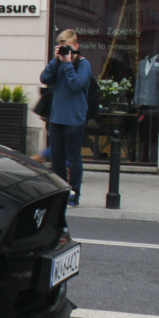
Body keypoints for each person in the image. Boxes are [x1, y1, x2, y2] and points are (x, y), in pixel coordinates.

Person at [41, 29, 94, 206]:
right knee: (56, 158)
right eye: (63, 48)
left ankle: (74, 193)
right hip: (57, 117)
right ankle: (60, 192)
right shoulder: (59, 63)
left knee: (73, 158)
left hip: (74, 117)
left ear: (77, 47)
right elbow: (45, 78)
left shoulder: (83, 64)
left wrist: (68, 64)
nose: (66, 52)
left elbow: (76, 85)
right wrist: (56, 61)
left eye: (69, 48)